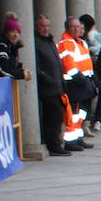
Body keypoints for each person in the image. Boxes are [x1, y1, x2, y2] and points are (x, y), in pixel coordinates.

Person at [58, 16, 97, 150]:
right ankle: (70, 141)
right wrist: (83, 81)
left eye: (78, 27)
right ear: (67, 28)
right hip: (75, 84)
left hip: (85, 83)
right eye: (73, 27)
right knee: (74, 114)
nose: (76, 29)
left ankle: (78, 138)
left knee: (81, 113)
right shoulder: (66, 43)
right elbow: (70, 67)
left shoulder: (80, 42)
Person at [33, 15, 69, 157]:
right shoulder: (37, 43)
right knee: (51, 118)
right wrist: (46, 77)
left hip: (57, 86)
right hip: (47, 88)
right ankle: (53, 145)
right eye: (42, 26)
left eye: (47, 25)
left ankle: (56, 142)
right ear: (37, 27)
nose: (45, 28)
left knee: (58, 117)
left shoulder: (50, 41)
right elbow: (36, 66)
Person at [81, 15, 101, 132]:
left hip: (92, 72)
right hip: (84, 75)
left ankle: (92, 121)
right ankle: (89, 122)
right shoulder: (82, 41)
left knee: (98, 94)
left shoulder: (91, 39)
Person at [0, 14, 32, 82]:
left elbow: (12, 67)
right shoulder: (1, 47)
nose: (15, 35)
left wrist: (23, 71)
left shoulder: (12, 48)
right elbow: (2, 69)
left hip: (8, 86)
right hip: (0, 85)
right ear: (6, 33)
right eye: (12, 31)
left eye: (18, 32)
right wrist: (21, 74)